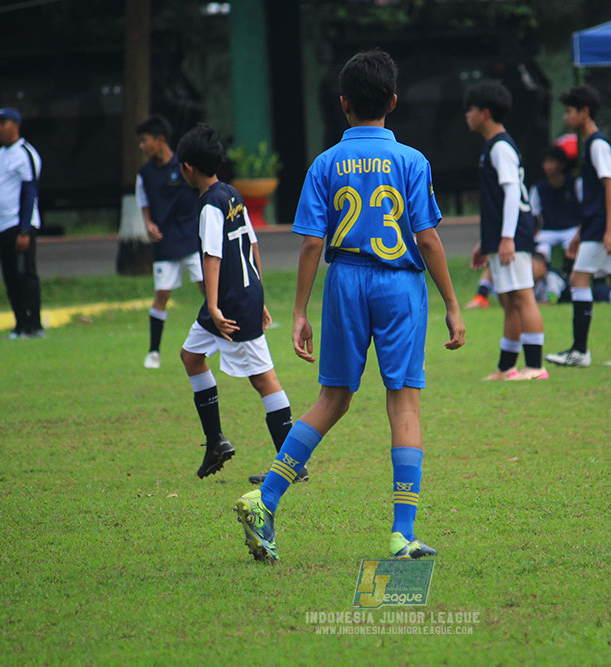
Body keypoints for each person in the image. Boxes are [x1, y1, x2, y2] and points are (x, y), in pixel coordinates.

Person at [233, 49, 465, 562]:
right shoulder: (411, 160)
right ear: (394, 102)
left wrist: (298, 312)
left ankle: (264, 498)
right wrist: (451, 301)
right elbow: (426, 239)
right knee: (403, 399)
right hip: (399, 285)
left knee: (332, 398)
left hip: (345, 281)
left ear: (343, 104)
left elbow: (312, 243)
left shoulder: (325, 163)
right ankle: (403, 534)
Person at [174, 123, 298, 483]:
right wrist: (258, 294)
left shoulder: (210, 205)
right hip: (243, 294)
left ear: (187, 168)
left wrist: (213, 306)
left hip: (228, 302)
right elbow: (252, 244)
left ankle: (292, 463)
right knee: (191, 357)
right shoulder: (231, 193)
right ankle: (215, 442)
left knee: (264, 379)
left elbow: (211, 256)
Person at [546, 85, 611, 368]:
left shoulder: (596, 143)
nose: (565, 118)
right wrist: (580, 233)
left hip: (605, 223)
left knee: (578, 280)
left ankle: (579, 352)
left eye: (568, 112)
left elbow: (610, 185)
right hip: (603, 222)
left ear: (584, 112)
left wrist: (610, 228)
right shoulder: (592, 144)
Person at [465, 80, 547, 381]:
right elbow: (496, 202)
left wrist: (508, 238)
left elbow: (513, 194)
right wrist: (485, 242)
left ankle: (536, 367)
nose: (467, 115)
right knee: (508, 300)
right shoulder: (493, 147)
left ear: (485, 113)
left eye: (470, 110)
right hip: (503, 236)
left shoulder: (500, 147)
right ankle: (506, 368)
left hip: (514, 236)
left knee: (523, 297)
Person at [135, 115, 204, 369]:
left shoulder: (185, 165)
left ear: (159, 139)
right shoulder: (145, 173)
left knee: (208, 289)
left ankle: (220, 340)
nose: (141, 146)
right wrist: (148, 225)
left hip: (190, 238)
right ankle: (154, 352)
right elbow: (144, 203)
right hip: (164, 241)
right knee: (162, 294)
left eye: (144, 141)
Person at [0, 107, 44, 339]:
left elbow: (30, 191)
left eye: (4, 123)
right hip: (3, 225)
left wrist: (24, 229)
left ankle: (34, 324)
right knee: (10, 276)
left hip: (20, 224)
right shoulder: (0, 155)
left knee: (26, 274)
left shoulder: (25, 153)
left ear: (15, 125)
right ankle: (20, 324)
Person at [531, 137, 582, 275]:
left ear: (561, 164)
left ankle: (567, 273)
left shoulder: (575, 183)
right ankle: (546, 274)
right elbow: (535, 214)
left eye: (551, 161)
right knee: (540, 249)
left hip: (571, 228)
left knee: (572, 246)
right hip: (549, 230)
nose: (547, 166)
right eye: (545, 162)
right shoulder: (538, 188)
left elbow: (584, 208)